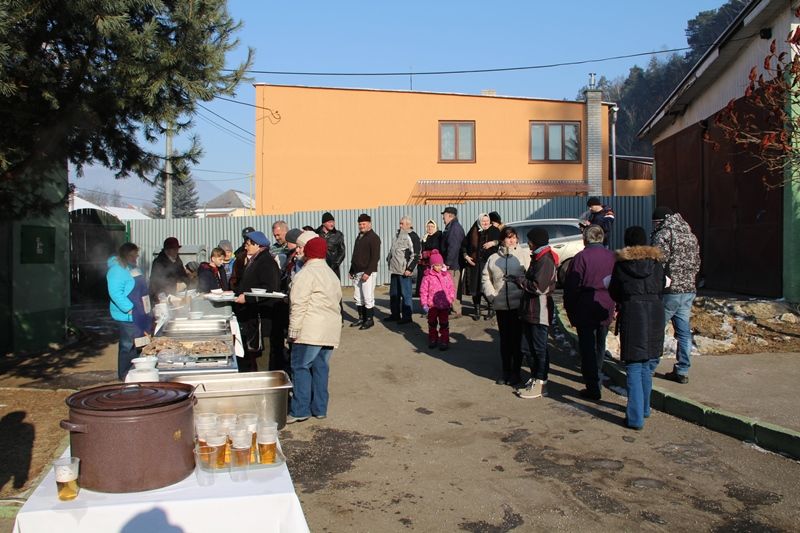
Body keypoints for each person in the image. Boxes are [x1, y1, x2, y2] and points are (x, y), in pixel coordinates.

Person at [609, 226, 666, 430]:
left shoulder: (622, 265)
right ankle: (644, 408)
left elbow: (614, 291)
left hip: (633, 313)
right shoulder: (656, 264)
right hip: (655, 313)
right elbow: (661, 286)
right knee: (647, 364)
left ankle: (635, 418)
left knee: (634, 365)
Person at [286, 237, 343, 423]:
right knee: (321, 368)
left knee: (300, 367)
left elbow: (298, 304)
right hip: (329, 330)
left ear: (309, 252)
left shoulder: (306, 274)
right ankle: (319, 408)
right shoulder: (331, 274)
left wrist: (293, 330)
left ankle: (300, 410)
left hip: (309, 330)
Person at [563, 225, 616, 400]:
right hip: (606, 304)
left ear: (585, 239)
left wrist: (570, 309)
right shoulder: (612, 256)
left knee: (587, 346)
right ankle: (596, 373)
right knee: (600, 343)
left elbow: (571, 286)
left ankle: (592, 384)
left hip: (585, 305)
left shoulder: (581, 257)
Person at [651, 206, 701, 384]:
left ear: (659, 221)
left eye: (654, 223)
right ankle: (682, 370)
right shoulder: (690, 235)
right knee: (684, 332)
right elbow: (697, 262)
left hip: (669, 291)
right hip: (688, 289)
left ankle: (650, 365)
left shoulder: (664, 234)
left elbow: (657, 261)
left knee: (656, 329)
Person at [512, 227, 558, 399]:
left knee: (539, 348)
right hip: (529, 310)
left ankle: (541, 382)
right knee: (527, 347)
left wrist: (520, 280)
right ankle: (535, 378)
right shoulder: (538, 258)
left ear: (536, 242)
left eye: (530, 240)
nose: (528, 243)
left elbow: (539, 287)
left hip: (540, 311)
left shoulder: (545, 260)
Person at [482, 226, 530, 385]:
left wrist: (524, 293)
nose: (512, 240)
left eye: (514, 237)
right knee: (505, 340)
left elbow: (530, 276)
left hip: (518, 305)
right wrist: (492, 296)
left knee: (517, 340)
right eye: (508, 237)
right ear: (502, 240)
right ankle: (506, 371)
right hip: (501, 305)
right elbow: (486, 278)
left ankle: (516, 372)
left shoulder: (523, 255)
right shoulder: (493, 258)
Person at [233, 231, 281, 372]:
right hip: (254, 315)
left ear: (258, 245)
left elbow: (269, 289)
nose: (245, 247)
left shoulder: (266, 262)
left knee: (262, 355)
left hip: (263, 317)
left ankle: (264, 378)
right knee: (255, 353)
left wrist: (247, 298)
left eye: (248, 244)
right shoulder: (255, 260)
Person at [107, 243, 143, 380]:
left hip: (138, 314)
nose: (135, 258)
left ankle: (135, 372)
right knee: (127, 346)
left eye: (136, 255)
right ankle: (124, 375)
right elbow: (115, 293)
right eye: (132, 255)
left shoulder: (132, 268)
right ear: (124, 255)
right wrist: (129, 308)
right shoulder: (116, 270)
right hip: (127, 315)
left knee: (137, 345)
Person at [462, 213, 500, 320]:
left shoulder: (494, 230)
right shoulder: (473, 230)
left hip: (488, 264)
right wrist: (466, 256)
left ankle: (491, 310)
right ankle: (477, 311)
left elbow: (502, 241)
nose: (485, 223)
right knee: (475, 289)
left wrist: (493, 243)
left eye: (487, 221)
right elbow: (464, 245)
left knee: (487, 287)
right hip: (474, 264)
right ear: (479, 221)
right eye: (483, 221)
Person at [386, 216, 421, 324]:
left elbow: (416, 254)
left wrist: (409, 268)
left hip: (404, 271)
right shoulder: (397, 235)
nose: (400, 225)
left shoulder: (412, 236)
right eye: (400, 223)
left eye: (402, 223)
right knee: (394, 294)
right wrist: (388, 258)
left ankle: (407, 317)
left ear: (409, 225)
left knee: (406, 295)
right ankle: (395, 315)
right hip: (395, 270)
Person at [349, 214, 381, 330]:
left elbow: (375, 257)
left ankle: (369, 320)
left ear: (369, 224)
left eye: (364, 224)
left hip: (368, 272)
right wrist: (351, 269)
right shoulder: (359, 237)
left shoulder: (374, 238)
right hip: (357, 271)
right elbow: (355, 255)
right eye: (360, 224)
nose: (361, 226)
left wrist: (368, 272)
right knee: (358, 297)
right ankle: (361, 318)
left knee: (368, 297)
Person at [419, 250, 455, 351]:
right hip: (432, 305)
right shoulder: (427, 277)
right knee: (432, 323)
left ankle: (444, 340)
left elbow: (451, 288)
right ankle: (433, 339)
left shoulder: (446, 275)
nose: (439, 267)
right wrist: (424, 303)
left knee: (444, 323)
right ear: (432, 265)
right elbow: (423, 291)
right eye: (436, 265)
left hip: (444, 305)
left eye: (440, 265)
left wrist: (450, 298)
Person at [440, 206, 466, 317]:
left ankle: (456, 310)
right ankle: (454, 308)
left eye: (444, 215)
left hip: (454, 265)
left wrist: (448, 263)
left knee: (453, 287)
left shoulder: (454, 228)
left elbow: (453, 247)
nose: (443, 217)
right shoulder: (452, 227)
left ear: (450, 215)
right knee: (451, 287)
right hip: (453, 263)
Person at [148, 237, 188, 301]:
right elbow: (156, 282)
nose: (176, 251)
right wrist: (175, 286)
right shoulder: (158, 262)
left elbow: (183, 276)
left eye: (177, 249)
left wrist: (185, 282)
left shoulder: (178, 260)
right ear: (167, 250)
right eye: (174, 249)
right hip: (161, 297)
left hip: (176, 295)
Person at [414, 219, 442, 297]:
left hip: (432, 263)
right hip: (423, 263)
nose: (430, 228)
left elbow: (437, 249)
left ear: (435, 227)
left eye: (432, 226)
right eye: (428, 226)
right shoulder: (425, 237)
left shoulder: (438, 236)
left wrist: (425, 254)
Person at [316, 212, 346, 279]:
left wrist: (335, 264)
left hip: (333, 269)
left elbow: (342, 252)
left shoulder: (338, 235)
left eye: (333, 222)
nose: (332, 224)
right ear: (323, 223)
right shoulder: (316, 234)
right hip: (319, 268)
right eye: (329, 222)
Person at [230, 226, 255, 292]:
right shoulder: (239, 253)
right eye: (245, 237)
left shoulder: (262, 253)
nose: (247, 239)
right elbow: (235, 275)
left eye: (249, 237)